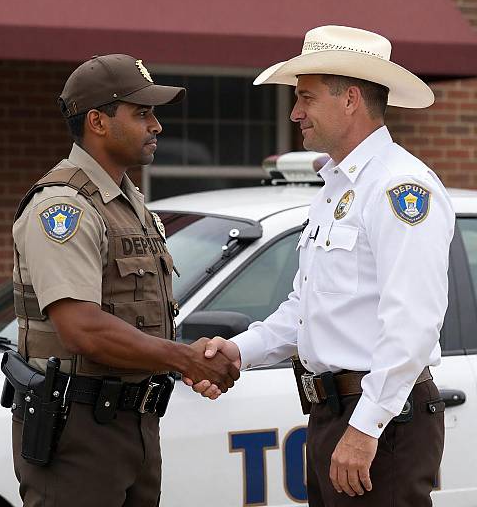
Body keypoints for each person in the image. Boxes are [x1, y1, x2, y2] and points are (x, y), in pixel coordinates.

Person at [186, 25, 455, 506]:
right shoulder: (336, 187)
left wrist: (365, 427)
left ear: (350, 99)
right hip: (333, 415)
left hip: (382, 421)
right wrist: (239, 351)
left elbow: (412, 322)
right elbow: (307, 309)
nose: (295, 112)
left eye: (305, 97)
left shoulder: (400, 188)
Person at [9, 54, 239, 507]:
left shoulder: (128, 203)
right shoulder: (65, 207)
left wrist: (184, 361)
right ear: (97, 121)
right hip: (76, 429)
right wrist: (185, 360)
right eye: (142, 113)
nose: (157, 126)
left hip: (131, 420)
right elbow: (81, 328)